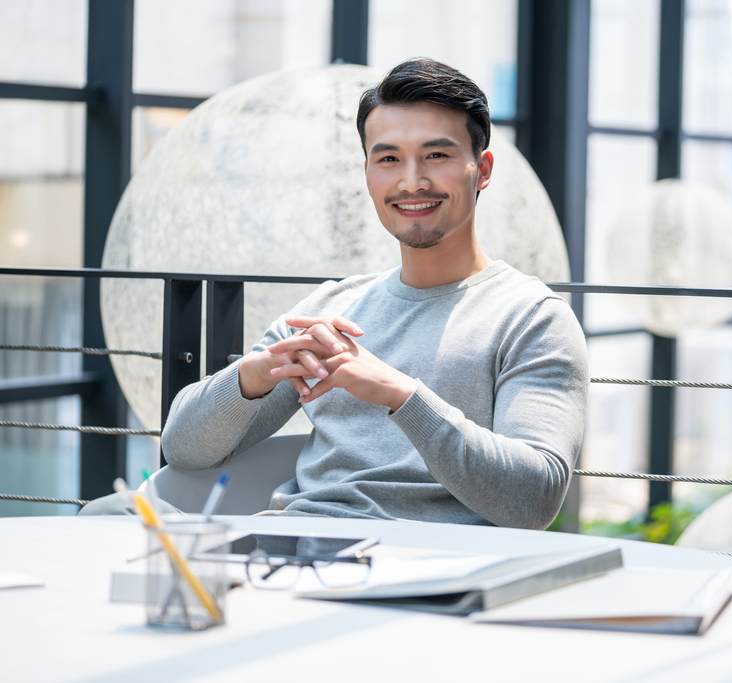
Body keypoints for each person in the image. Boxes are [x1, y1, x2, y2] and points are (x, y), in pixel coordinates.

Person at [81, 58, 588, 530]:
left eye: (437, 155)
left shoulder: (533, 318)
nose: (412, 182)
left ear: (483, 169)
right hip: (287, 550)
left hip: (423, 571)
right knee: (110, 514)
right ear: (368, 173)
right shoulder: (329, 309)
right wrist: (254, 375)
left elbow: (534, 499)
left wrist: (399, 394)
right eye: (388, 158)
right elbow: (185, 450)